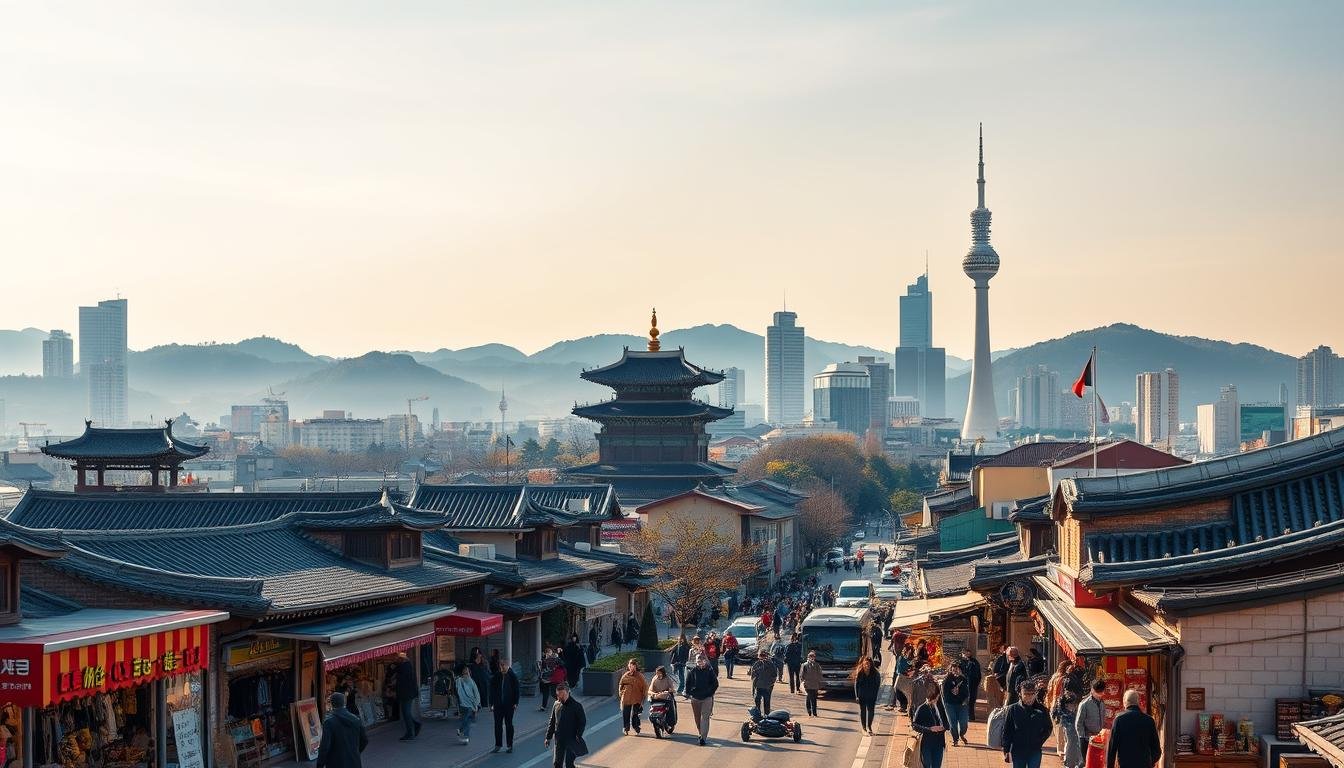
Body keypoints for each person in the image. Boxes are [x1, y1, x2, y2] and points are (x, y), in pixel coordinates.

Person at [1001, 680, 1052, 768]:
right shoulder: (1013, 709)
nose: (1029, 697)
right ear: (1020, 694)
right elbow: (1007, 730)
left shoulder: (1042, 710)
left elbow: (1048, 727)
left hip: (1035, 750)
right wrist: (1006, 749)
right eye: (1026, 694)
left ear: (1035, 694)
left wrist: (1040, 740)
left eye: (1032, 694)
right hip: (1018, 750)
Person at [1107, 689, 1160, 768]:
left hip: (1125, 764)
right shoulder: (1149, 720)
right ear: (1138, 702)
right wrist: (1150, 762)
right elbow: (1157, 750)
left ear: (1124, 702)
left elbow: (1112, 749)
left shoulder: (1119, 720)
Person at [316, 692, 368, 768]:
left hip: (335, 763)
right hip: (354, 762)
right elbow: (364, 740)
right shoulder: (356, 719)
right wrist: (355, 752)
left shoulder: (329, 722)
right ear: (344, 703)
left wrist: (320, 764)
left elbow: (325, 747)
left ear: (332, 704)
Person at [543, 683, 586, 768]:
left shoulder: (576, 706)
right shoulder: (556, 704)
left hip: (571, 739)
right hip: (559, 739)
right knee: (557, 763)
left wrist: (578, 734)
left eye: (562, 695)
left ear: (568, 692)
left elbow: (582, 722)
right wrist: (548, 737)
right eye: (558, 695)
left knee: (569, 764)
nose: (560, 697)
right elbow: (552, 721)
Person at [684, 653, 719, 746]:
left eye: (702, 661)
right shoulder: (692, 671)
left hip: (707, 698)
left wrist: (710, 693)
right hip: (695, 698)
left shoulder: (710, 671)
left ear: (705, 661)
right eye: (698, 661)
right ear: (696, 662)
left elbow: (715, 684)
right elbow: (687, 683)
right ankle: (700, 732)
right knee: (697, 717)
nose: (700, 663)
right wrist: (689, 693)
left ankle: (703, 737)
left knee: (705, 718)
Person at [912, 685, 949, 768]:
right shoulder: (922, 708)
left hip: (939, 742)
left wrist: (944, 727)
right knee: (927, 765)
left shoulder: (941, 707)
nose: (937, 699)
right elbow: (914, 725)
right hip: (926, 742)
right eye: (936, 697)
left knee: (937, 765)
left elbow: (948, 722)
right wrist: (930, 729)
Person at [490, 656, 520, 753]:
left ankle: (509, 745)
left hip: (509, 705)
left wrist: (516, 702)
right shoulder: (497, 676)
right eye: (501, 667)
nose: (502, 669)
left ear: (507, 666)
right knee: (497, 725)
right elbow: (492, 690)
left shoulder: (512, 676)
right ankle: (498, 745)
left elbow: (516, 690)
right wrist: (491, 703)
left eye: (504, 667)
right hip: (498, 705)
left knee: (508, 725)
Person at [1046, 661, 1073, 754]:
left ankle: (1059, 748)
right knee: (1061, 730)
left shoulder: (1054, 676)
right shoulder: (1063, 679)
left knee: (1057, 729)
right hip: (1060, 706)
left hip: (1052, 705)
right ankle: (1061, 751)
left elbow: (1049, 692)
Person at [941, 660, 970, 746]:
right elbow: (944, 693)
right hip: (950, 704)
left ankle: (962, 734)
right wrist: (952, 692)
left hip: (962, 704)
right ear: (950, 670)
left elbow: (967, 692)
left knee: (964, 723)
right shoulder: (947, 680)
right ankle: (955, 739)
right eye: (953, 670)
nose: (955, 672)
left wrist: (961, 695)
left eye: (957, 670)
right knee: (952, 723)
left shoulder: (963, 679)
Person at [393, 652, 421, 741]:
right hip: (407, 693)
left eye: (397, 658)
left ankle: (410, 733)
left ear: (402, 659)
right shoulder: (405, 667)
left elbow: (403, 683)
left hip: (406, 694)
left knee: (406, 713)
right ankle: (415, 726)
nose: (396, 660)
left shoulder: (404, 668)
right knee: (406, 713)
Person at [1074, 678, 1107, 751]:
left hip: (1099, 738)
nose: (1100, 694)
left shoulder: (1102, 703)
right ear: (1092, 690)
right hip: (1087, 739)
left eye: (1102, 692)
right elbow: (1079, 723)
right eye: (1098, 692)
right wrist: (1082, 738)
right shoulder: (1084, 704)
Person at [617, 658, 648, 736]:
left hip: (637, 698)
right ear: (628, 666)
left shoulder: (640, 676)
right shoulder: (625, 675)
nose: (632, 667)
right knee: (626, 713)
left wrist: (644, 697)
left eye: (633, 666)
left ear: (636, 666)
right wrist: (621, 693)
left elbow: (644, 686)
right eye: (630, 665)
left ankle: (636, 727)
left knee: (635, 714)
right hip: (626, 698)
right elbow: (621, 684)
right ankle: (626, 728)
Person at [1052, 688, 1082, 768]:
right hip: (1071, 750)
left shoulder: (1067, 713)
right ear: (1066, 705)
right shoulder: (1066, 715)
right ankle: (1069, 763)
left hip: (1071, 747)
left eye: (1074, 704)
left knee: (1071, 743)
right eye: (1072, 704)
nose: (1074, 706)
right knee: (1071, 743)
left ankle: (1070, 762)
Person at [853, 655, 881, 735]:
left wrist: (875, 694)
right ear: (863, 664)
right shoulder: (860, 673)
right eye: (865, 664)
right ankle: (864, 727)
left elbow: (877, 684)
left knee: (871, 710)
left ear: (871, 665)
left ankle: (869, 727)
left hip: (871, 695)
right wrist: (857, 696)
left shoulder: (875, 673)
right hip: (862, 695)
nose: (867, 666)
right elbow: (856, 685)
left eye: (868, 664)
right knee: (863, 711)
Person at [454, 663, 482, 746]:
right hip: (470, 705)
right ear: (469, 673)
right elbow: (476, 693)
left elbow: (457, 693)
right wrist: (476, 704)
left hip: (462, 705)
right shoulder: (471, 681)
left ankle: (460, 730)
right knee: (467, 721)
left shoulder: (458, 681)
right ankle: (466, 736)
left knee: (466, 719)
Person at [649, 665, 678, 732]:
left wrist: (669, 690)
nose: (658, 674)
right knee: (651, 705)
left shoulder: (668, 678)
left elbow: (673, 689)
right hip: (657, 697)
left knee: (671, 708)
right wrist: (653, 693)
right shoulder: (654, 679)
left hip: (666, 697)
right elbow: (650, 690)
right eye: (657, 673)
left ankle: (671, 723)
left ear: (663, 673)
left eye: (659, 673)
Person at [886, 644, 914, 712]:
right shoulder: (901, 657)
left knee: (905, 691)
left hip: (906, 677)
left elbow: (911, 666)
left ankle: (904, 706)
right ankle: (903, 705)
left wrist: (909, 670)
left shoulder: (910, 658)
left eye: (906, 649)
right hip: (900, 676)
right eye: (904, 649)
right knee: (897, 689)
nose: (904, 650)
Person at [749, 649, 777, 716]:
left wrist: (754, 686)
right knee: (766, 701)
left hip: (759, 686)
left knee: (758, 701)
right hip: (767, 686)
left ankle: (758, 715)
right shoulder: (771, 664)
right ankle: (767, 715)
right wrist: (771, 683)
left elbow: (753, 676)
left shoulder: (757, 664)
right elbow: (775, 675)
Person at [959, 648, 983, 721]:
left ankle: (970, 717)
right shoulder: (973, 662)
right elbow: (979, 675)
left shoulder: (971, 662)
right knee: (971, 701)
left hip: (970, 684)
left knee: (969, 701)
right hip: (972, 684)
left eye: (963, 654)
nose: (963, 655)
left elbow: (969, 674)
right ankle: (970, 717)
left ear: (966, 654)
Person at [538, 646, 563, 711]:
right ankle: (560, 703)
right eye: (548, 652)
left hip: (548, 679)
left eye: (549, 652)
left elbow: (542, 669)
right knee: (551, 692)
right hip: (551, 678)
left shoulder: (546, 660)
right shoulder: (552, 659)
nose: (549, 654)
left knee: (548, 693)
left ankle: (544, 706)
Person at [800, 650, 823, 717]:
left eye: (813, 657)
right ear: (808, 657)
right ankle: (809, 711)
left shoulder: (817, 665)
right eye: (811, 657)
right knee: (809, 697)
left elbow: (820, 674)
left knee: (814, 698)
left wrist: (819, 681)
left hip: (815, 684)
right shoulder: (805, 665)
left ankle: (814, 712)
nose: (812, 658)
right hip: (808, 684)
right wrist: (803, 683)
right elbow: (801, 675)